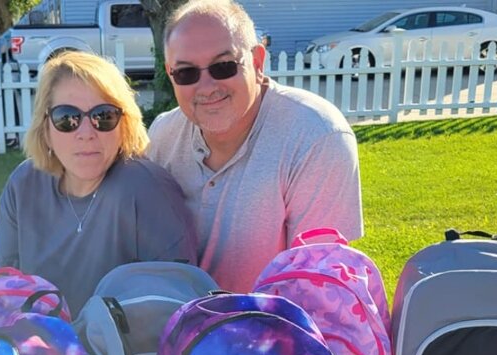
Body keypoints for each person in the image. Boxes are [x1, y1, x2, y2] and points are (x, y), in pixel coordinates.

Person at [147, 0, 363, 293]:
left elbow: (317, 287)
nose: (207, 86)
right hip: (177, 322)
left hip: (279, 328)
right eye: (186, 73)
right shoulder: (163, 135)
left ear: (258, 63)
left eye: (223, 66)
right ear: (170, 73)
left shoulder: (317, 135)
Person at [0, 51, 198, 317]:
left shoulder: (146, 190)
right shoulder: (23, 186)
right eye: (67, 118)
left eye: (103, 116)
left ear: (124, 124)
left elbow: (179, 307)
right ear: (45, 128)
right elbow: (7, 294)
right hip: (38, 350)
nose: (87, 133)